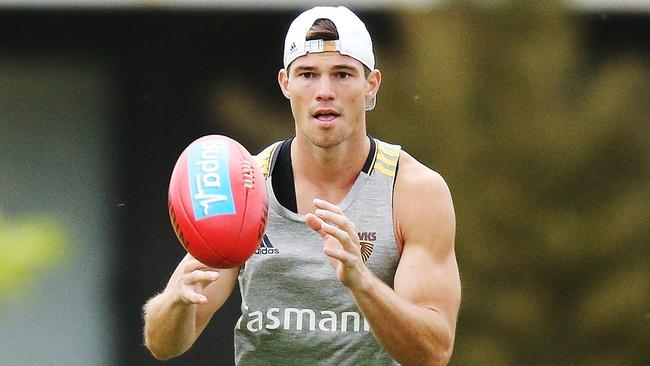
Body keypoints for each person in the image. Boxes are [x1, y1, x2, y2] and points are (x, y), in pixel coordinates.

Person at [143, 6, 461, 366]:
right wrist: (176, 302)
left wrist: (362, 282)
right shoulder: (244, 185)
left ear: (371, 84)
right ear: (285, 84)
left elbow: (434, 352)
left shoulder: (415, 190)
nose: (324, 91)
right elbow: (163, 344)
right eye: (308, 74)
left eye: (342, 74)